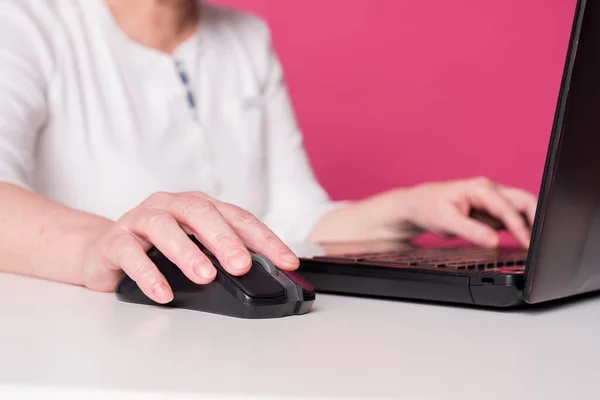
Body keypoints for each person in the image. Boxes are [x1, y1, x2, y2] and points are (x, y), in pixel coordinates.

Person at [0, 0, 537, 305]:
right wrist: (100, 242)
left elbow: (291, 219)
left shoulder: (244, 37)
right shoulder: (27, 22)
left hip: (240, 347)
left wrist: (409, 207)